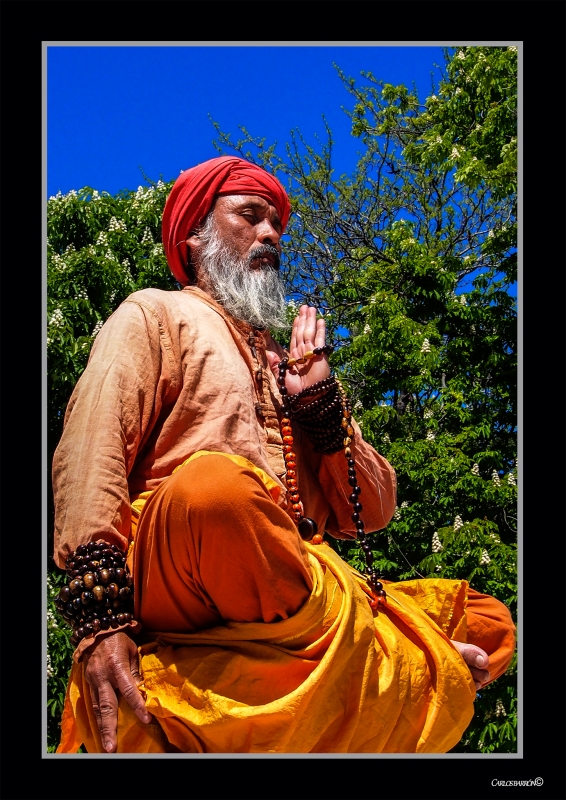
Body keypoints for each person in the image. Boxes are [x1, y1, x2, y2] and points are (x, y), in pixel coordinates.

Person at [53, 156, 515, 754]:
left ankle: (350, 658)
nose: (272, 234)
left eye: (278, 225)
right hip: (186, 560)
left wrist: (321, 404)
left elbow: (372, 513)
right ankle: (384, 660)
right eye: (251, 216)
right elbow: (92, 444)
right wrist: (99, 619)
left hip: (292, 576)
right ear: (195, 237)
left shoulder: (291, 364)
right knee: (214, 490)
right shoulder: (156, 314)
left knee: (489, 621)